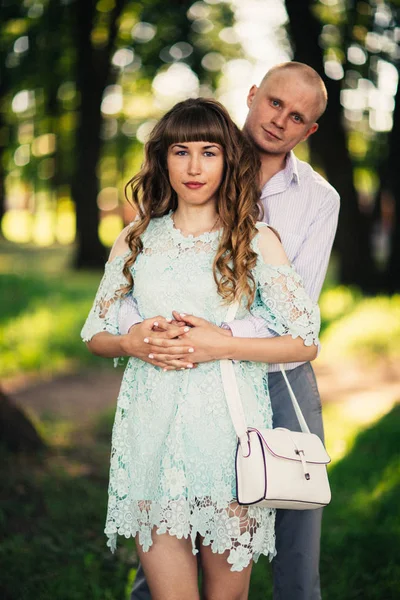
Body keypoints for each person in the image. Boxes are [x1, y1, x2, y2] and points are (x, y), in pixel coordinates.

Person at [81, 97, 320, 600]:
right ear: (162, 159)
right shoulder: (134, 239)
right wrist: (131, 341)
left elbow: (305, 342)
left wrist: (221, 343)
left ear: (227, 159)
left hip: (228, 445)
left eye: (209, 152)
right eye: (181, 151)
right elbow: (95, 334)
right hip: (150, 441)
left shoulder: (255, 239)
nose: (193, 167)